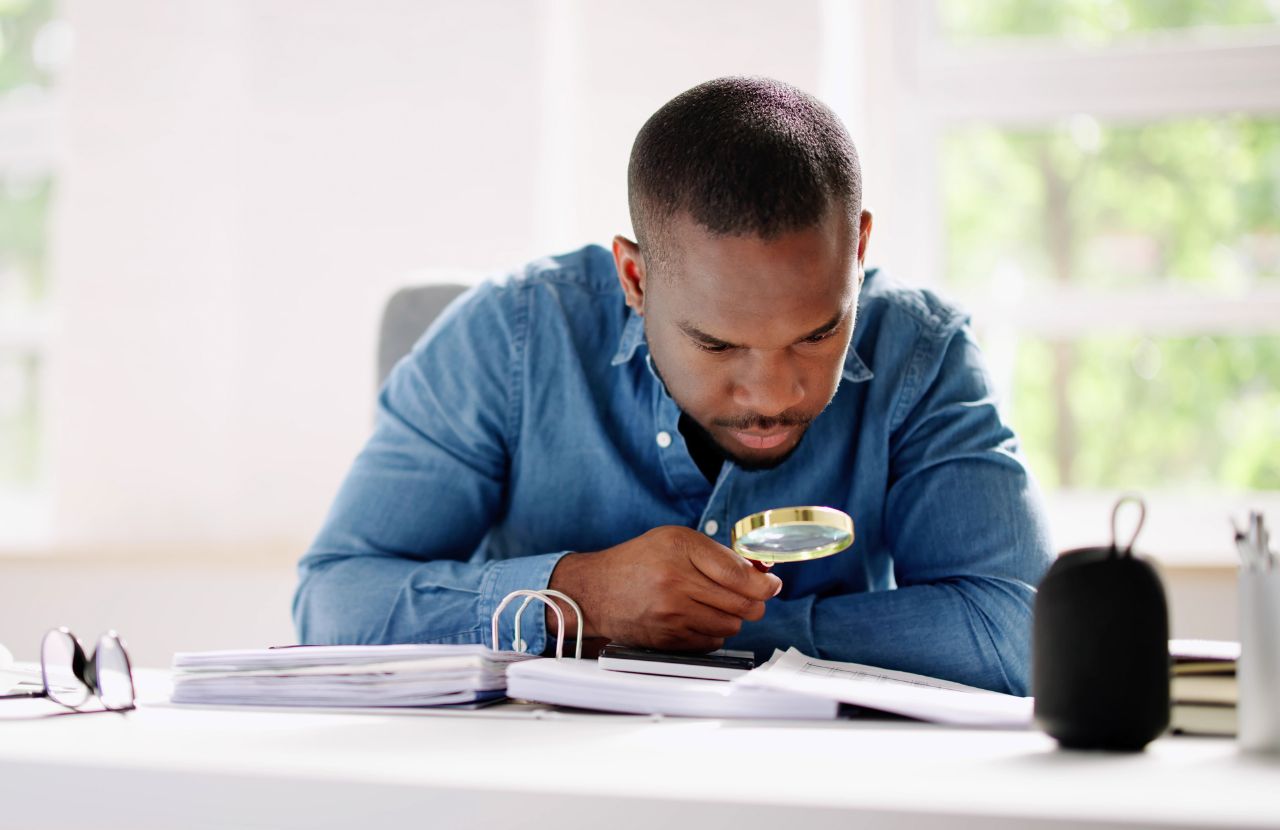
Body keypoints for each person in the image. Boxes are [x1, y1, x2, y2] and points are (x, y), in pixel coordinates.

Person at [292, 76, 1052, 695]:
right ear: (635, 277)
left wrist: (707, 628)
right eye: (718, 343)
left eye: (818, 334)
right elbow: (332, 605)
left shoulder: (923, 353)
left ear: (857, 250)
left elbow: (1020, 632)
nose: (771, 394)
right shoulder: (507, 337)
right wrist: (579, 595)